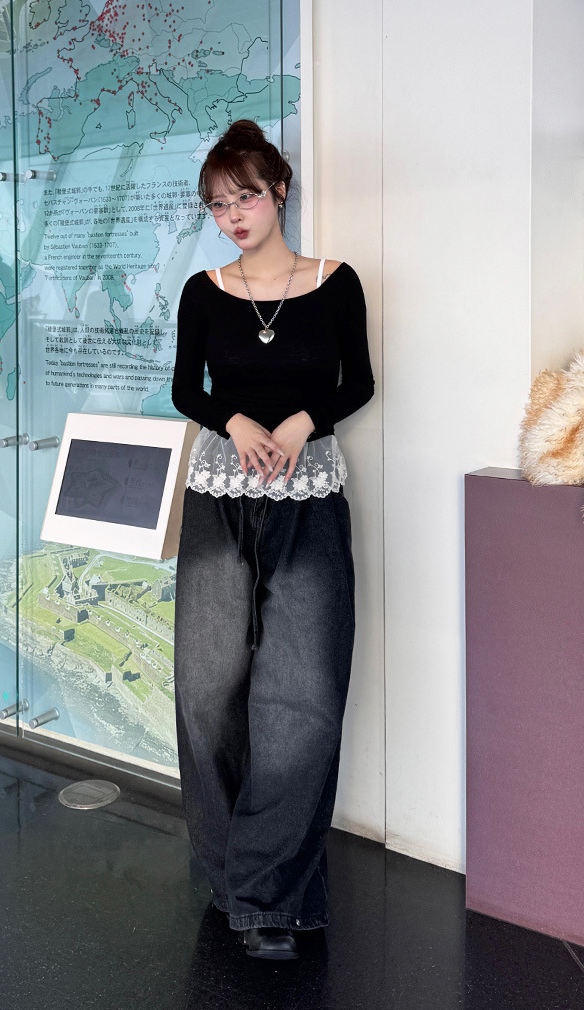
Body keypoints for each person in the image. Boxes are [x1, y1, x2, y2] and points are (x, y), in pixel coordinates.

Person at [171, 119, 375, 960]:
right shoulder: (203, 289)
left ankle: (270, 894)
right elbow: (186, 389)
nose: (233, 216)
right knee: (206, 693)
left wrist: (300, 422)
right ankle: (236, 880)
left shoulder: (335, 281)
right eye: (218, 205)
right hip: (219, 494)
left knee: (303, 696)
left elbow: (359, 381)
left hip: (307, 493)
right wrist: (235, 418)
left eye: (246, 197)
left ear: (279, 190)